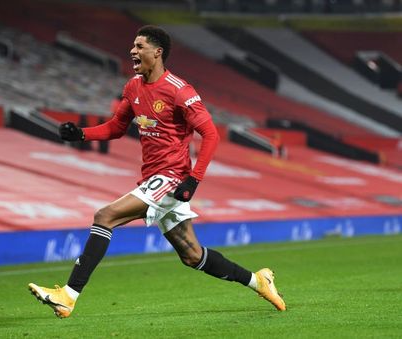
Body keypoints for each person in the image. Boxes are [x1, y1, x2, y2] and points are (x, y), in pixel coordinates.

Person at [28, 25, 286, 318]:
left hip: (172, 177)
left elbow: (211, 134)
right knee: (192, 255)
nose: (132, 51)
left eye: (139, 46)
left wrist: (193, 179)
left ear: (157, 51)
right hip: (155, 178)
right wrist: (81, 134)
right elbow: (115, 127)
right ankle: (259, 281)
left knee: (105, 216)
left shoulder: (179, 91)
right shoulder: (133, 86)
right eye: (133, 46)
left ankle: (68, 295)